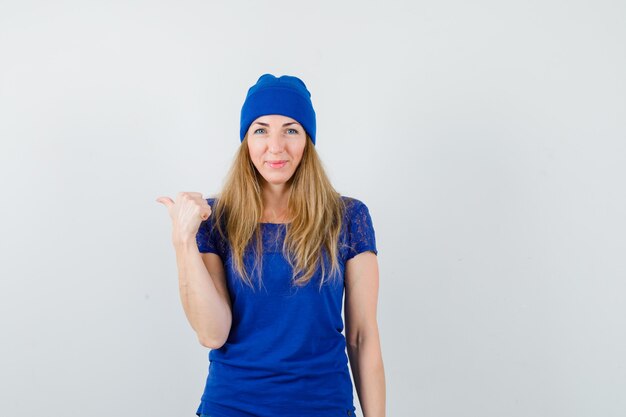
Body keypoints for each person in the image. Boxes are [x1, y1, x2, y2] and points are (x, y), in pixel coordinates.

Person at [156, 73, 385, 417]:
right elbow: (212, 334)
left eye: (290, 130)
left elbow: (362, 336)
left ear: (307, 139)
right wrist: (183, 241)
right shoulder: (215, 219)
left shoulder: (348, 217)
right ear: (246, 140)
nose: (275, 146)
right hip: (232, 406)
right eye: (261, 130)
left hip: (324, 407)